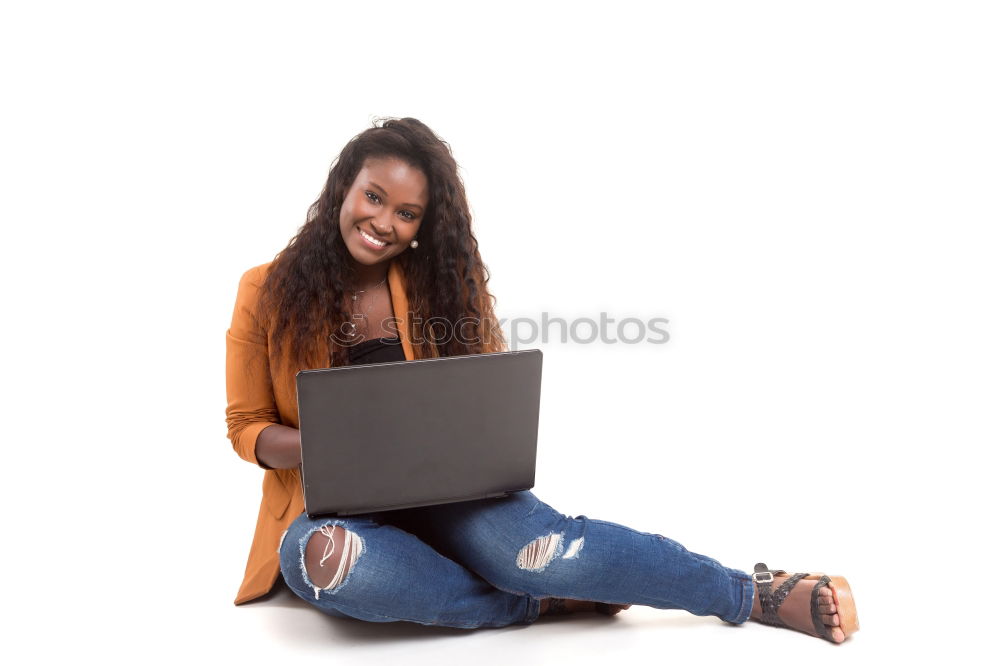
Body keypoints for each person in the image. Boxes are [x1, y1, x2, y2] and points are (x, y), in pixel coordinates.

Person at [224, 117, 860, 642]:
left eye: (408, 213)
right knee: (324, 568)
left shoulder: (439, 285)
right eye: (373, 197)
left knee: (544, 551)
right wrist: (328, 445)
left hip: (448, 490)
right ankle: (536, 605)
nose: (385, 222)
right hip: (336, 508)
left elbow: (483, 398)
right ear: (344, 187)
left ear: (424, 225)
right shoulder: (265, 289)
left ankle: (750, 592)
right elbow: (245, 427)